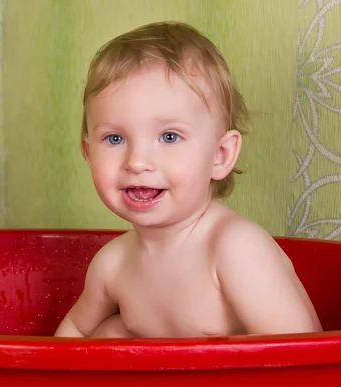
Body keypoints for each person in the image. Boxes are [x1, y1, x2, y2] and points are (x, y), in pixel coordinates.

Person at [54, 21, 322, 338]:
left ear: (220, 155)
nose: (137, 162)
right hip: (159, 385)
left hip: (242, 386)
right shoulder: (113, 265)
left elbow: (299, 355)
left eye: (169, 136)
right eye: (114, 139)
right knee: (111, 332)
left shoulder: (235, 249)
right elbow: (73, 333)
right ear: (88, 153)